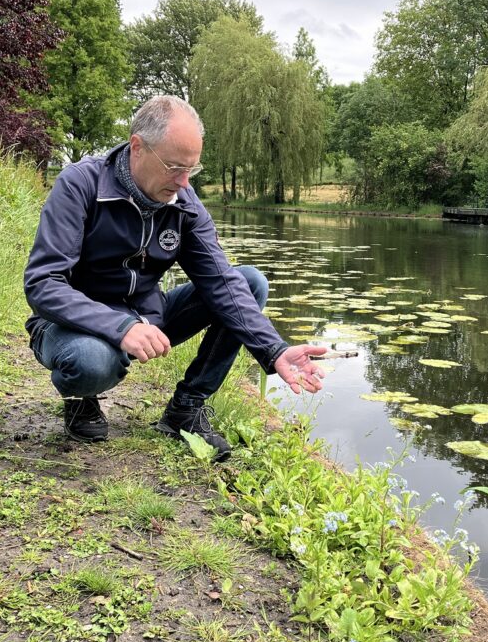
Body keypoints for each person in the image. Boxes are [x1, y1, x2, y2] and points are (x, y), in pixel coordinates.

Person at [23, 95, 325, 461]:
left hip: (146, 316)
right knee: (92, 362)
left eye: (191, 170)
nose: (184, 182)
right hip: (72, 325)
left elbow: (221, 281)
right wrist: (121, 328)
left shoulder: (183, 201)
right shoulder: (80, 185)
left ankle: (186, 407)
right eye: (174, 168)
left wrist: (273, 349)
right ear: (137, 147)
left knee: (248, 282)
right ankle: (80, 399)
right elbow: (44, 283)